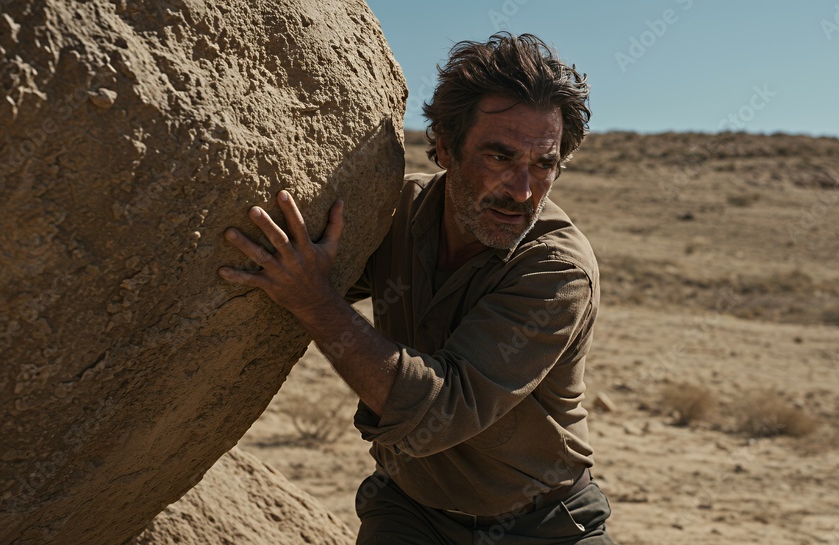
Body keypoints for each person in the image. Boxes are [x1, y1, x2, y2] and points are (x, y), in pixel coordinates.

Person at [218, 32, 613, 544]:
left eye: (544, 165)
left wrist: (314, 300)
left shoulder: (556, 271)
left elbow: (443, 409)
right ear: (445, 146)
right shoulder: (395, 211)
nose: (522, 191)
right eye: (499, 157)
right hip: (412, 510)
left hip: (543, 525)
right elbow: (317, 268)